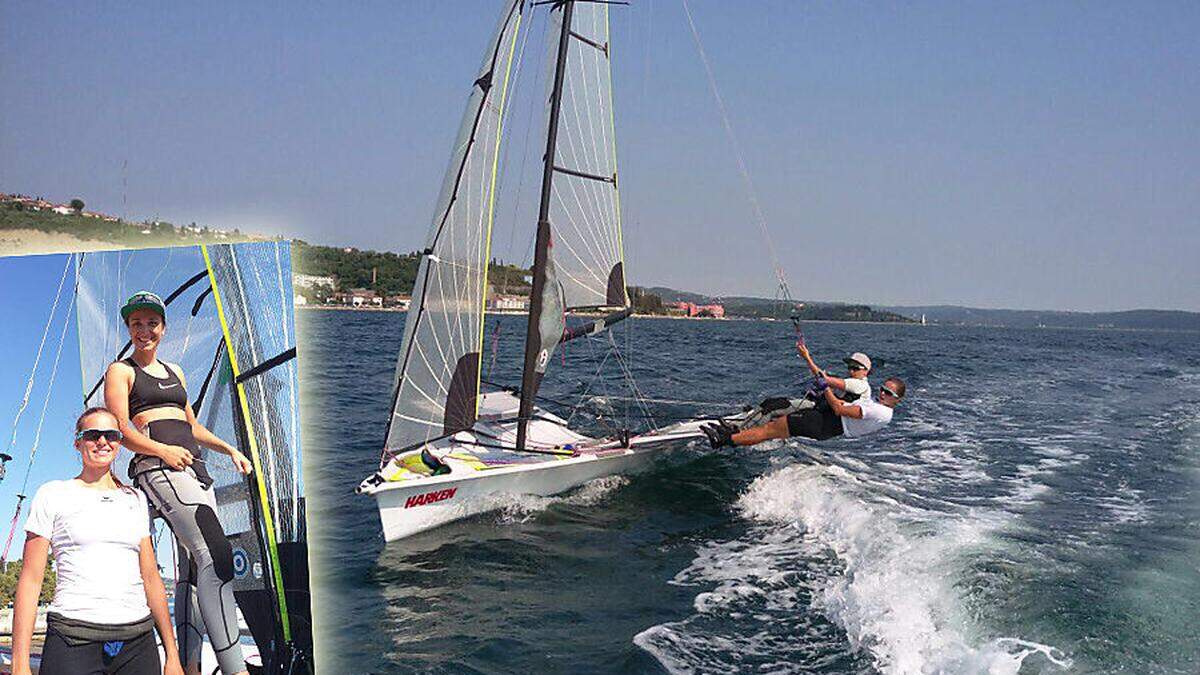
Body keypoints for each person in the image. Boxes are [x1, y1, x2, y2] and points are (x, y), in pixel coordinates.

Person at [103, 291, 253, 675]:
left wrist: (229, 449)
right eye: (136, 323)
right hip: (158, 468)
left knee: (192, 567)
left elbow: (192, 425)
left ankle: (189, 665)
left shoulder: (176, 373)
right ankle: (235, 669)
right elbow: (119, 428)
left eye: (151, 322)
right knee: (216, 556)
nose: (144, 329)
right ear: (129, 329)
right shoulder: (121, 371)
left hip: (194, 470)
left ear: (163, 328)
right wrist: (162, 451)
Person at [11, 407, 184, 675]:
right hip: (72, 639)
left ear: (119, 442)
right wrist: (20, 664)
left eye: (111, 435)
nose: (102, 441)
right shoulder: (52, 494)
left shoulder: (136, 500)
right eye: (92, 434)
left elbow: (150, 577)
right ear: (77, 441)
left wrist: (172, 654)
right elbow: (31, 579)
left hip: (138, 642)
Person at [704, 376, 907, 448]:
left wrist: (825, 387)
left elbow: (837, 409)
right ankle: (730, 437)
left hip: (827, 424)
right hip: (826, 423)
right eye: (883, 388)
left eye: (888, 392)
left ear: (897, 399)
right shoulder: (876, 403)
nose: (883, 393)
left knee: (770, 430)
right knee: (771, 426)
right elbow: (842, 405)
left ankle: (724, 440)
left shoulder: (883, 412)